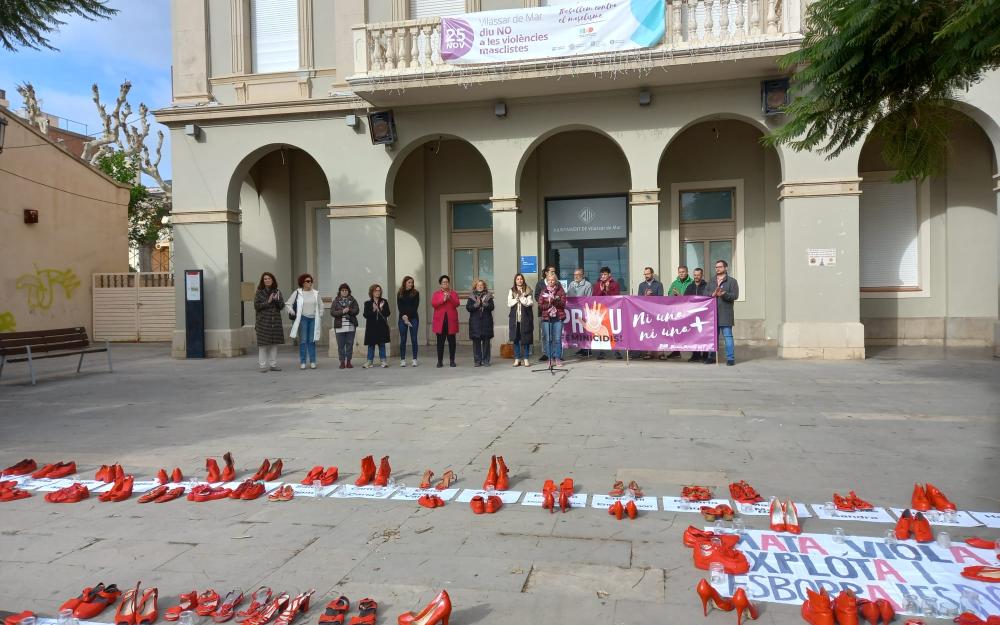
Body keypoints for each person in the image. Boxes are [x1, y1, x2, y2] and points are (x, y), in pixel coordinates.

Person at [707, 260, 739, 366]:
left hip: (726, 312)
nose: (717, 269)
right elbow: (704, 293)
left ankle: (730, 358)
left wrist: (724, 295)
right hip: (712, 313)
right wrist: (713, 294)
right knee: (712, 336)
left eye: (720, 267)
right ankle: (711, 357)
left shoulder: (732, 281)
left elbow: (735, 296)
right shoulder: (711, 281)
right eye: (716, 267)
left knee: (728, 336)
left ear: (726, 268)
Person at [287, 273, 322, 370]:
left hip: (313, 319)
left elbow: (320, 305)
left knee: (312, 340)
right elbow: (288, 304)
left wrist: (320, 314)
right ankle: (303, 362)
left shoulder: (315, 293)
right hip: (303, 318)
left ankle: (313, 361)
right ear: (302, 283)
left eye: (311, 281)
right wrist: (292, 311)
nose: (310, 283)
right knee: (303, 341)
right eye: (307, 281)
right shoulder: (298, 292)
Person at [253, 272, 284, 372]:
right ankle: (262, 366)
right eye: (265, 279)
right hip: (263, 322)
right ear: (263, 281)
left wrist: (277, 300)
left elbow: (282, 306)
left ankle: (273, 365)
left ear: (272, 280)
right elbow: (257, 306)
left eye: (269, 278)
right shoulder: (259, 292)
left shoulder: (277, 291)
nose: (267, 280)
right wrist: (268, 301)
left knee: (274, 344)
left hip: (275, 322)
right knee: (263, 345)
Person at [537, 272, 568, 366]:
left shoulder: (560, 291)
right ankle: (550, 359)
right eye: (549, 280)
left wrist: (555, 300)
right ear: (547, 281)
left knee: (558, 339)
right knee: (548, 339)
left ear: (555, 281)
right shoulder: (544, 291)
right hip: (547, 318)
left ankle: (558, 358)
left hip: (558, 317)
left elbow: (563, 304)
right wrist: (549, 304)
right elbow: (540, 306)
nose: (551, 281)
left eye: (553, 280)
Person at [431, 274, 460, 367]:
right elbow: (434, 304)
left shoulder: (453, 293)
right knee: (440, 342)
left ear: (449, 283)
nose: (445, 284)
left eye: (447, 282)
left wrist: (450, 297)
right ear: (440, 284)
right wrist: (443, 299)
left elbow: (457, 304)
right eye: (443, 282)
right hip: (440, 321)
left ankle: (452, 360)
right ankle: (440, 361)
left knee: (452, 342)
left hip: (451, 321)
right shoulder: (436, 294)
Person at [664, 265, 693, 359]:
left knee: (691, 332)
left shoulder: (691, 282)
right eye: (680, 272)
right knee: (676, 332)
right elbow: (669, 294)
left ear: (687, 272)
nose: (681, 273)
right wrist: (673, 294)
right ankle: (676, 351)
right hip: (677, 311)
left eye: (683, 272)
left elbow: (692, 297)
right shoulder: (674, 283)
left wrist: (681, 296)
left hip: (688, 311)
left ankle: (696, 353)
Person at [636, 267, 664, 359]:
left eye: (647, 274)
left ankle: (661, 353)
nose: (646, 276)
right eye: (645, 274)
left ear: (652, 274)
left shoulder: (659, 284)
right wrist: (645, 295)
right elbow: (639, 299)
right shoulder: (641, 285)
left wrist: (652, 295)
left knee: (658, 332)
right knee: (648, 332)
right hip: (645, 312)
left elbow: (661, 298)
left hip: (656, 312)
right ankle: (649, 352)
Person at [684, 268, 712, 362]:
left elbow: (710, 297)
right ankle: (695, 355)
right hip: (692, 315)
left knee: (704, 335)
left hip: (705, 315)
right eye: (695, 275)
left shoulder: (707, 286)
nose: (696, 277)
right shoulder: (690, 286)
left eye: (698, 275)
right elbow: (685, 299)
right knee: (693, 335)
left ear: (702, 275)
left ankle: (705, 355)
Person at [594, 266, 622, 359]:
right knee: (601, 331)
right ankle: (602, 351)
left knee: (613, 330)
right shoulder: (597, 284)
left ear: (609, 275)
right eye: (602, 274)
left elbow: (616, 296)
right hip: (601, 310)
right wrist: (601, 290)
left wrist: (607, 289)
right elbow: (594, 297)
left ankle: (616, 351)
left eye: (605, 274)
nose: (603, 276)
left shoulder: (615, 284)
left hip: (612, 310)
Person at [466, 279, 495, 367]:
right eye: (478, 285)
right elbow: (468, 308)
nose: (480, 286)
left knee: (486, 342)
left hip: (486, 322)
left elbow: (492, 307)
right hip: (475, 323)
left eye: (481, 285)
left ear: (484, 286)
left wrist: (485, 304)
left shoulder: (489, 296)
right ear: (475, 286)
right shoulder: (471, 296)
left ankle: (486, 361)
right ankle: (477, 361)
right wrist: (476, 305)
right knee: (476, 342)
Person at [507, 273, 534, 367]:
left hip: (525, 318)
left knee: (526, 339)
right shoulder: (512, 290)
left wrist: (522, 298)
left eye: (521, 279)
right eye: (518, 279)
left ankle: (526, 358)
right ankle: (517, 359)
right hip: (515, 319)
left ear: (523, 280)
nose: (519, 280)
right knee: (516, 339)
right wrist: (516, 299)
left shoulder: (528, 289)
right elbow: (509, 303)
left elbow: (529, 303)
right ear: (515, 280)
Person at [331, 283, 359, 369]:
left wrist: (349, 310)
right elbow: (332, 312)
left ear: (348, 291)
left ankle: (349, 362)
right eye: (342, 290)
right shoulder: (336, 301)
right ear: (340, 292)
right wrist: (342, 311)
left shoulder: (353, 300)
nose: (344, 292)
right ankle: (342, 362)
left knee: (350, 344)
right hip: (339, 326)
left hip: (350, 326)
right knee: (341, 345)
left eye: (346, 290)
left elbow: (357, 310)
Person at [362, 283, 391, 368]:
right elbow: (365, 315)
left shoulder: (384, 301)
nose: (378, 292)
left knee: (382, 344)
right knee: (371, 344)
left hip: (382, 326)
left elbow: (388, 313)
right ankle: (369, 361)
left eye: (379, 290)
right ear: (372, 292)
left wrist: (381, 309)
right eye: (376, 291)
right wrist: (374, 310)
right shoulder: (367, 303)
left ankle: (383, 361)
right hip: (371, 327)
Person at [566, 268, 592, 356]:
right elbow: (568, 297)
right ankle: (581, 348)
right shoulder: (571, 284)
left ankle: (587, 349)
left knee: (585, 330)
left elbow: (589, 299)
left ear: (583, 275)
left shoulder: (588, 285)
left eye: (578, 274)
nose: (576, 276)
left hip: (584, 311)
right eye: (574, 275)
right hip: (573, 311)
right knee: (577, 330)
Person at [534, 265, 557, 362]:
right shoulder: (540, 283)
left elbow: (561, 295)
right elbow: (536, 296)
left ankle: (555, 353)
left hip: (555, 313)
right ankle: (546, 353)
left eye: (554, 271)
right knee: (545, 335)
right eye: (552, 271)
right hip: (543, 312)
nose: (553, 273)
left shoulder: (557, 283)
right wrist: (545, 301)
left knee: (555, 334)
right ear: (546, 273)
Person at [397, 276, 420, 367]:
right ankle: (403, 360)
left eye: (412, 282)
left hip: (413, 318)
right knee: (403, 339)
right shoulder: (400, 293)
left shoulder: (416, 293)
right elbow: (400, 306)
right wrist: (404, 317)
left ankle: (414, 359)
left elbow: (415, 306)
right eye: (409, 282)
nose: (411, 284)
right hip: (402, 319)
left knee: (414, 339)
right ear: (405, 283)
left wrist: (408, 316)